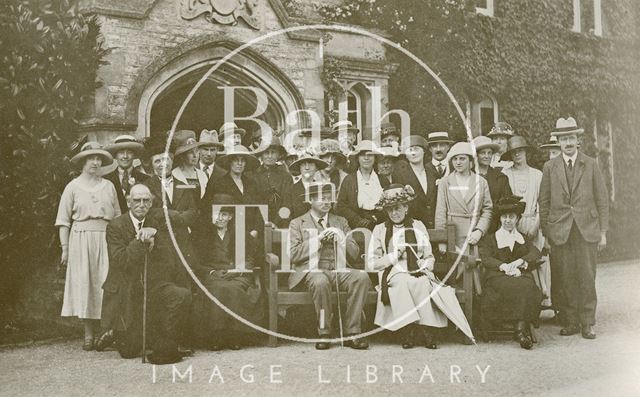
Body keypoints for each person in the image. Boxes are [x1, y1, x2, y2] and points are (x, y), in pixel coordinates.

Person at [102, 184, 195, 363]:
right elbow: (122, 261)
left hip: (153, 284)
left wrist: (156, 235)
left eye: (146, 201)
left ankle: (165, 340)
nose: (141, 204)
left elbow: (169, 256)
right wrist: (141, 240)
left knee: (180, 295)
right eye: (137, 200)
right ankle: (116, 331)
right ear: (129, 202)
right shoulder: (116, 226)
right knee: (129, 351)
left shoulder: (157, 221)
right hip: (127, 289)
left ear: (151, 203)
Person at [368, 184, 470, 349]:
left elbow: (429, 255)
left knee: (421, 282)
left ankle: (426, 330)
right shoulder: (380, 229)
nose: (394, 213)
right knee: (402, 282)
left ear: (406, 207)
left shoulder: (418, 226)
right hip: (392, 271)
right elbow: (372, 263)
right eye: (390, 209)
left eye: (397, 208)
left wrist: (427, 264)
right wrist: (394, 255)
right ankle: (408, 330)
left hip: (416, 269)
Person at [539, 117, 609, 339]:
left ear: (578, 140)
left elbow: (602, 199)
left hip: (586, 229)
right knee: (565, 276)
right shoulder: (550, 167)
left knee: (587, 276)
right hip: (560, 230)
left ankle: (587, 322)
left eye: (571, 138)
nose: (568, 143)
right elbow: (544, 202)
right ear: (558, 142)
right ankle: (571, 320)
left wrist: (603, 232)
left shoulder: (590, 164)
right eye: (563, 139)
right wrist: (546, 233)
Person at [289, 183, 371, 350]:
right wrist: (317, 240)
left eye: (329, 198)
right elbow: (293, 254)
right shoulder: (297, 223)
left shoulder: (341, 221)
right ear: (310, 200)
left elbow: (354, 253)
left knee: (361, 277)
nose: (327, 202)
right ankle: (324, 332)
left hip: (339, 270)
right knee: (320, 281)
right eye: (321, 198)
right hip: (312, 270)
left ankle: (352, 332)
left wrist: (342, 238)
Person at [56, 142, 121, 351]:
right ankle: (88, 333)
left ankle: (106, 331)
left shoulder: (109, 186)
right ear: (83, 162)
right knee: (86, 283)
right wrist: (65, 248)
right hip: (81, 239)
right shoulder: (72, 187)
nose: (95, 162)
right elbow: (63, 220)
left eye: (99, 159)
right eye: (91, 158)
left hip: (105, 237)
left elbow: (118, 217)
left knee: (105, 282)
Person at [193, 193, 263, 350]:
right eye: (216, 213)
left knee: (234, 289)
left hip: (238, 275)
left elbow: (250, 260)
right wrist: (211, 272)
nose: (219, 218)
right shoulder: (203, 236)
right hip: (214, 275)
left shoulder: (240, 234)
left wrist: (237, 270)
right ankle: (216, 335)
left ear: (230, 216)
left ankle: (234, 335)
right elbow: (196, 262)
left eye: (224, 214)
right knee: (216, 288)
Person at [478, 195, 543, 350]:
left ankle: (520, 329)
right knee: (515, 286)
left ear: (517, 219)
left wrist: (520, 262)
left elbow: (535, 253)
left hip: (520, 275)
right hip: (497, 277)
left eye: (511, 217)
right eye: (504, 217)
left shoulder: (522, 238)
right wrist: (504, 266)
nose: (508, 220)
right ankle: (520, 331)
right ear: (500, 219)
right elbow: (486, 258)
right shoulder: (491, 239)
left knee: (528, 286)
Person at [500, 136, 549, 305]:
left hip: (534, 221)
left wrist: (536, 225)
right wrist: (512, 224)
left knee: (536, 259)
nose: (517, 155)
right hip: (513, 223)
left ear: (526, 152)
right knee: (515, 260)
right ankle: (521, 302)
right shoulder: (505, 174)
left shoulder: (537, 175)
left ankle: (542, 297)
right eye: (513, 152)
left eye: (520, 151)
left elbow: (543, 203)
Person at [434, 142, 492, 255]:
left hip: (474, 234)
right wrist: (441, 239)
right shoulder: (445, 182)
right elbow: (440, 212)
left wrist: (480, 231)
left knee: (475, 268)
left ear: (470, 161)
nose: (458, 162)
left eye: (462, 158)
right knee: (457, 268)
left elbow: (487, 209)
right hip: (453, 234)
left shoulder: (481, 182)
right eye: (455, 159)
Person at [336, 140, 389, 230]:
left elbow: (390, 202)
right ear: (357, 158)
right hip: (355, 226)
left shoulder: (382, 180)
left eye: (370, 155)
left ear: (375, 158)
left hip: (380, 224)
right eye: (362, 155)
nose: (366, 158)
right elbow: (341, 205)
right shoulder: (349, 180)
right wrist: (357, 220)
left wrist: (376, 217)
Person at [392, 135, 438, 228]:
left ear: (424, 151)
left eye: (416, 149)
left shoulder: (433, 173)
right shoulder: (400, 175)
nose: (413, 153)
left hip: (434, 226)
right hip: (412, 226)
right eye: (410, 150)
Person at [249, 135, 293, 226]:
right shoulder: (252, 175)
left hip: (280, 224)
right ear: (261, 154)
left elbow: (287, 204)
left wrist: (276, 223)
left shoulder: (286, 177)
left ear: (278, 155)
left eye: (273, 153)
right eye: (266, 152)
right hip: (256, 224)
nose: (269, 156)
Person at [473, 135, 512, 232]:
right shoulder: (468, 176)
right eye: (483, 153)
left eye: (489, 153)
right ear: (476, 155)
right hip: (471, 226)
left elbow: (507, 206)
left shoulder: (501, 178)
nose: (487, 156)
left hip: (494, 227)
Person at [104, 135, 148, 214]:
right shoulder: (106, 180)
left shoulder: (145, 179)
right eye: (121, 153)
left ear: (134, 155)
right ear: (115, 156)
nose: (125, 156)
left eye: (129, 152)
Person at [281, 150, 329, 223]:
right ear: (299, 168)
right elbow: (285, 215)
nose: (307, 168)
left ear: (316, 168)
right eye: (303, 165)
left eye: (310, 164)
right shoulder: (291, 190)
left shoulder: (323, 189)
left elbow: (328, 214)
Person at [171, 130, 208, 207]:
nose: (195, 155)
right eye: (190, 152)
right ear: (182, 155)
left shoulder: (202, 175)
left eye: (197, 151)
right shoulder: (174, 174)